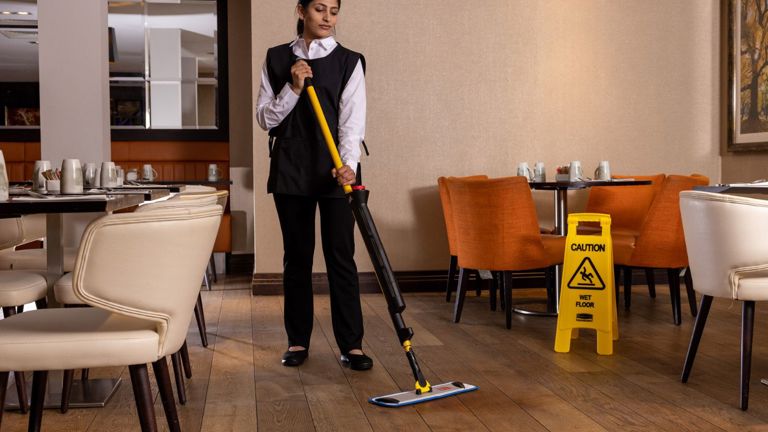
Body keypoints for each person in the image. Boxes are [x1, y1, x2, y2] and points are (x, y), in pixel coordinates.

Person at [255, 0, 372, 371]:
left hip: (336, 170)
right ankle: (297, 341)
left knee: (341, 257)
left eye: (334, 11)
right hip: (291, 169)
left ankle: (351, 345)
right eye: (319, 9)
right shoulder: (277, 59)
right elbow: (265, 119)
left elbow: (352, 123)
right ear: (301, 11)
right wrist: (293, 86)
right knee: (297, 259)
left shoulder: (350, 61)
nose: (327, 18)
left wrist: (349, 167)